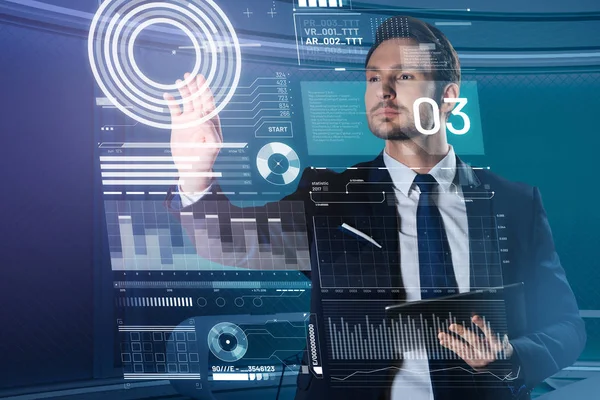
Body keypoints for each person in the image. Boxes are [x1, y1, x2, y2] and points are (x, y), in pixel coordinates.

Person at [163, 15, 586, 400]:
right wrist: (195, 174)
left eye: (403, 75)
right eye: (372, 78)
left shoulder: (513, 203)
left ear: (449, 97)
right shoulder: (327, 198)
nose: (383, 90)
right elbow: (230, 242)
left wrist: (511, 356)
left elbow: (567, 327)